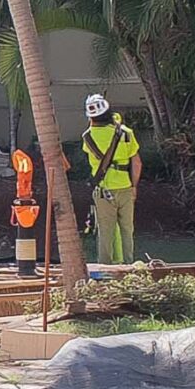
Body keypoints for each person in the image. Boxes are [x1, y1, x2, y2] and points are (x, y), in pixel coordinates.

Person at [82, 93, 142, 266]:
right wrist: (134, 186)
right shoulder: (126, 133)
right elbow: (137, 162)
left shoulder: (87, 137)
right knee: (127, 229)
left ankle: (105, 266)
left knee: (105, 231)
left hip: (102, 190)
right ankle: (129, 264)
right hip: (125, 187)